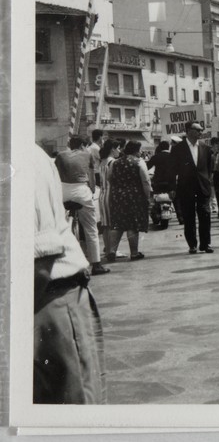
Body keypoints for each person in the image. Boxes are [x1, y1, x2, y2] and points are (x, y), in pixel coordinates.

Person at [33, 144, 106, 404]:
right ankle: (95, 259)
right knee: (92, 227)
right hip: (82, 194)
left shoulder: (55, 155)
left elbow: (40, 258)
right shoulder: (87, 154)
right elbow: (92, 176)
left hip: (46, 291)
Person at [54, 135, 108, 275]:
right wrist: (90, 191)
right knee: (91, 229)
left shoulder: (60, 155)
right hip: (80, 191)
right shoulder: (87, 154)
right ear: (83, 145)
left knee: (61, 226)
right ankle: (96, 265)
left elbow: (56, 176)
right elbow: (91, 179)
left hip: (63, 191)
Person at [169, 121, 215, 254]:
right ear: (188, 130)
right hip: (186, 187)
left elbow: (209, 168)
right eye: (198, 130)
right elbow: (172, 170)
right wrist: (172, 187)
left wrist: (207, 182)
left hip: (202, 187)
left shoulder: (205, 148)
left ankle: (205, 244)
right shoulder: (178, 149)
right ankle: (192, 245)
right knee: (189, 217)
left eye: (201, 130)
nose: (201, 132)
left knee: (205, 215)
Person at [107, 140, 151, 261]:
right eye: (140, 150)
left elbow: (109, 178)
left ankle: (111, 251)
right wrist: (147, 196)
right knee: (133, 225)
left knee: (117, 224)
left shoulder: (114, 163)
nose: (141, 152)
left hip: (117, 197)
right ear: (136, 150)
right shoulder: (139, 162)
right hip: (134, 197)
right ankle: (134, 253)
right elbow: (145, 181)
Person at [97, 139, 120, 263]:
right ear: (112, 149)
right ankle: (112, 250)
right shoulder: (113, 162)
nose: (119, 151)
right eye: (118, 148)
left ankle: (108, 250)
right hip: (111, 195)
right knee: (112, 224)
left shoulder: (102, 161)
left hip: (102, 195)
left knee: (106, 224)